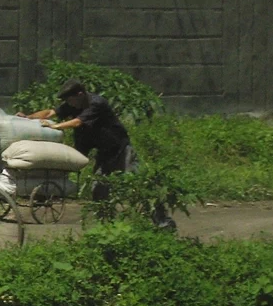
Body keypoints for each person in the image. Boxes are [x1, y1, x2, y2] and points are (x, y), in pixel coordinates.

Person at [17, 78, 175, 228]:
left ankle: (162, 222)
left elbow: (78, 122)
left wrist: (56, 127)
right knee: (98, 189)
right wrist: (28, 117)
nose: (68, 103)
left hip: (121, 150)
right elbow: (50, 113)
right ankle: (105, 225)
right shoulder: (73, 104)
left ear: (80, 95)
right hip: (104, 153)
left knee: (141, 186)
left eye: (70, 99)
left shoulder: (96, 104)